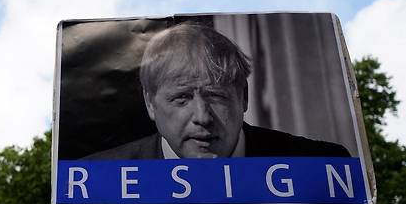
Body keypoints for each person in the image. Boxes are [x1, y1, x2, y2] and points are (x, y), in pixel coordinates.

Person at [85, 23, 351, 159]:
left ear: (243, 97)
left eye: (216, 95)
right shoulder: (97, 175)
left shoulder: (324, 163)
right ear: (150, 104)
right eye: (181, 98)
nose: (202, 116)